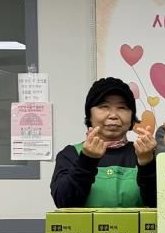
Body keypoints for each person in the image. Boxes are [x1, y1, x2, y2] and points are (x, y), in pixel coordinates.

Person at [51, 77, 157, 207]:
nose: (113, 115)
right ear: (89, 115)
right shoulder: (70, 154)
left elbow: (161, 204)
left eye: (122, 107)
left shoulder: (145, 153)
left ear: (131, 116)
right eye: (104, 106)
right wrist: (87, 160)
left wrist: (147, 163)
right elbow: (64, 203)